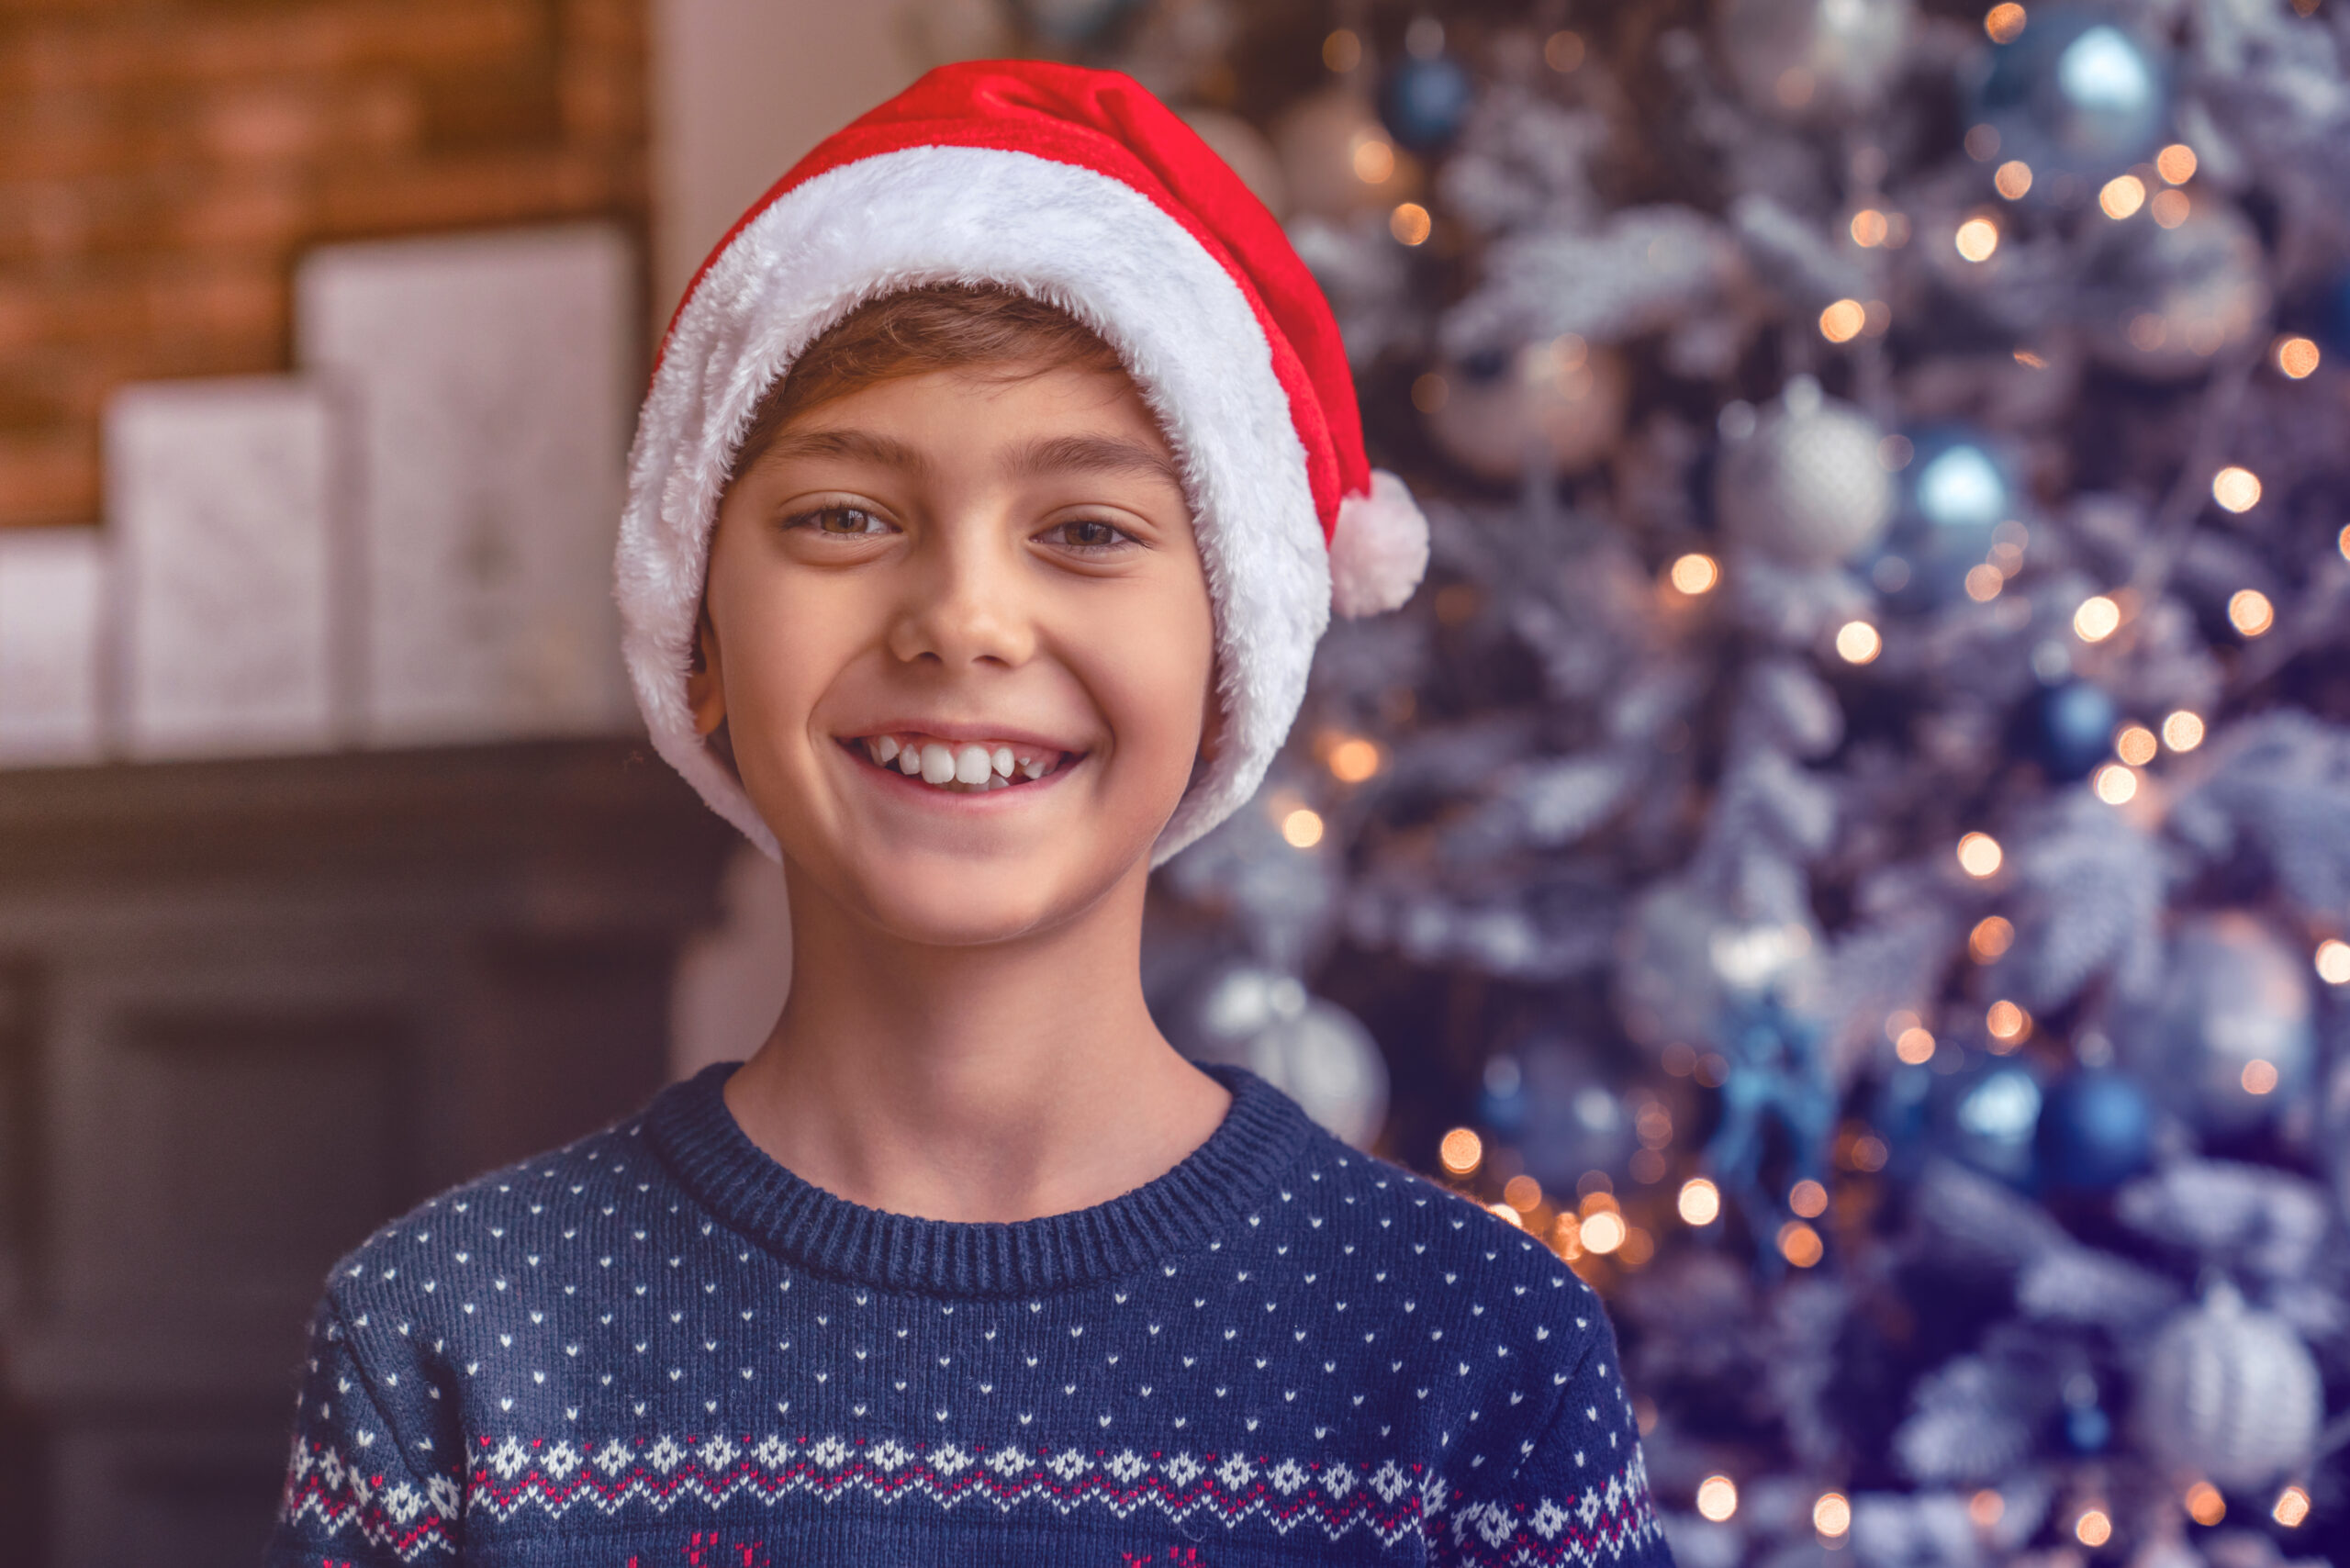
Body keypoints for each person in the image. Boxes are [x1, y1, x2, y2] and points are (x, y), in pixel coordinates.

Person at [264, 61, 1672, 1567]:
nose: (965, 620)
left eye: (1086, 531)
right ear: (699, 629)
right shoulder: (454, 1341)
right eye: (845, 517)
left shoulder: (1472, 1355)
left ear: (1233, 655)